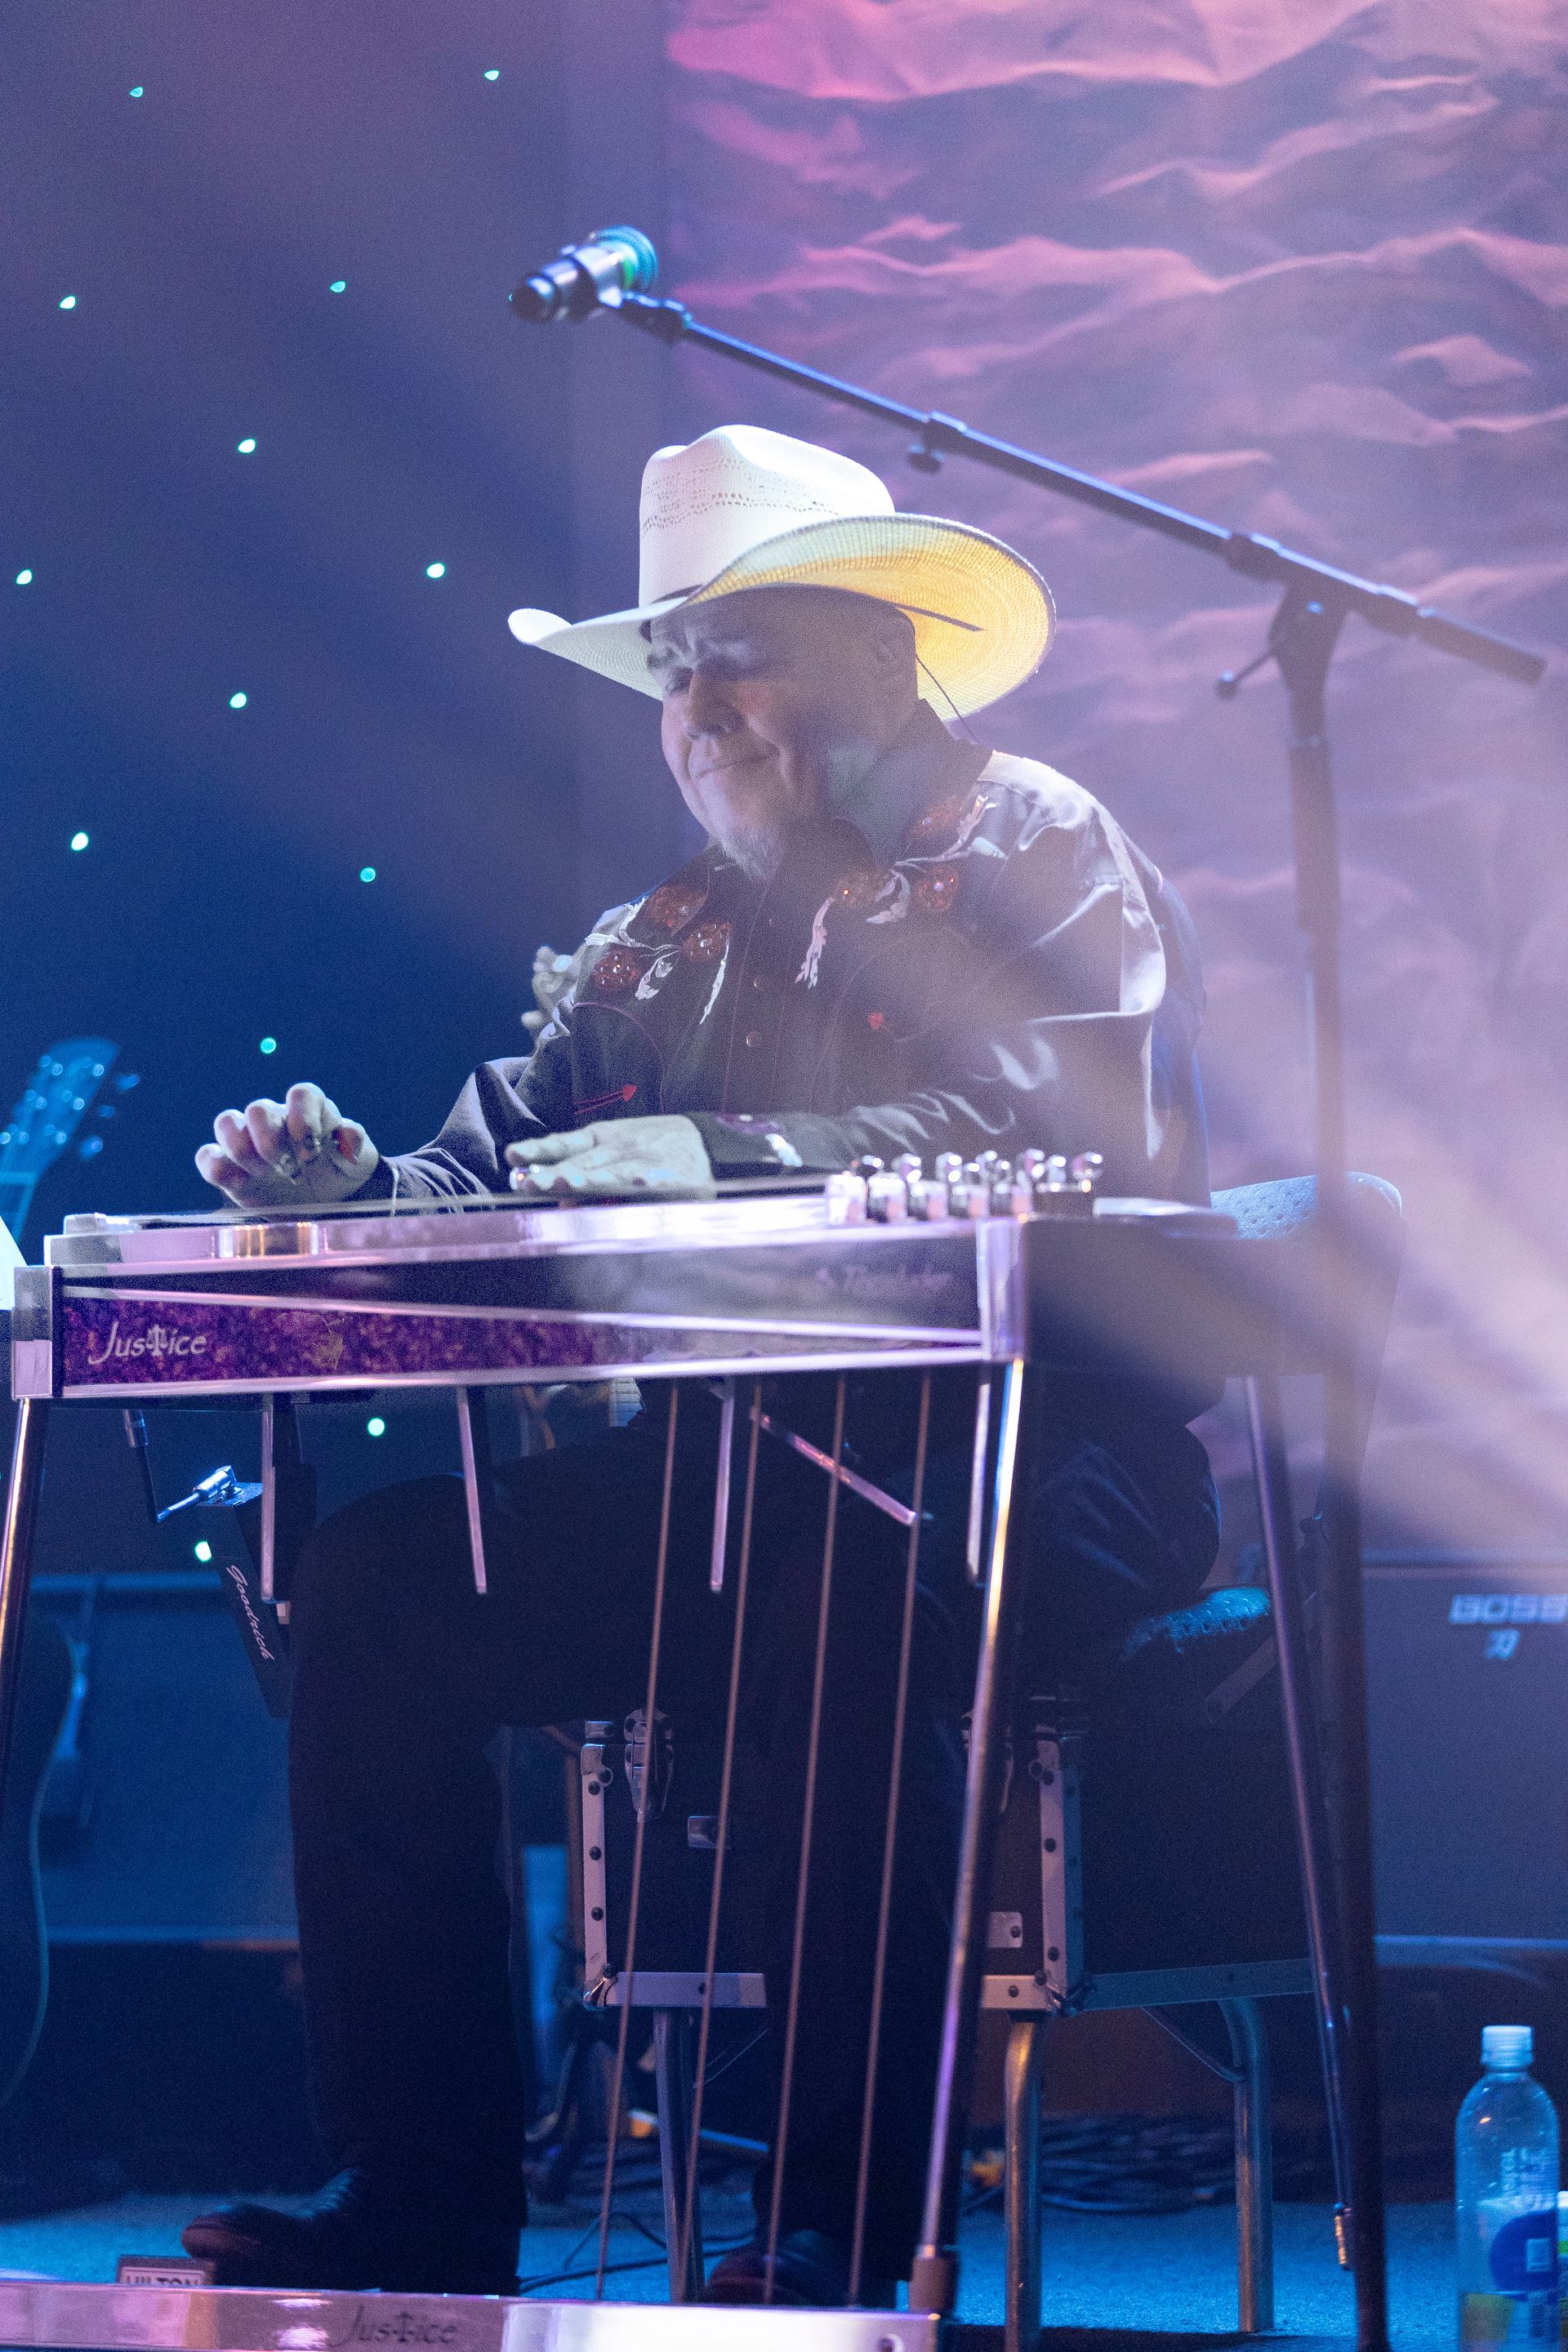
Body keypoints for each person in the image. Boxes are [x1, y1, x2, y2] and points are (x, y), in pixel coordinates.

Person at [184, 425, 1219, 2306]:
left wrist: (722, 1155)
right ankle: (424, 2200)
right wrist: (356, 1188)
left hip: (1042, 1449)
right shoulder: (661, 940)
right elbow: (490, 1168)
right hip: (745, 1471)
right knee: (379, 1585)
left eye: (740, 651)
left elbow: (1057, 1122)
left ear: (883, 663)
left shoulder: (1035, 839)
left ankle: (835, 2217)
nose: (700, 705)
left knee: (827, 1575)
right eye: (675, 668)